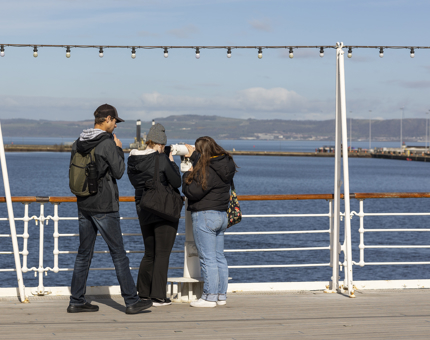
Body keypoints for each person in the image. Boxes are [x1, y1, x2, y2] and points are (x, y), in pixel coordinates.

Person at [67, 104, 152, 314]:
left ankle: (77, 300)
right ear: (106, 119)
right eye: (115, 121)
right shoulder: (106, 143)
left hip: (84, 203)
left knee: (83, 253)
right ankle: (132, 301)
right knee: (118, 254)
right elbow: (119, 171)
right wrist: (118, 148)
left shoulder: (79, 141)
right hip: (104, 205)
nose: (115, 125)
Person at [127, 123, 181, 306]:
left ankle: (143, 293)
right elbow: (176, 182)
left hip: (143, 207)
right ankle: (158, 296)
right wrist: (172, 162)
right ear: (160, 143)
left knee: (149, 253)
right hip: (163, 209)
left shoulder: (133, 160)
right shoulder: (162, 159)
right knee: (163, 253)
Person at [181, 136, 237, 307]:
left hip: (205, 215)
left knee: (208, 258)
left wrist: (187, 174)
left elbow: (193, 192)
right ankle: (221, 295)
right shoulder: (224, 164)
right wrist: (196, 158)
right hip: (221, 215)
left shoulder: (207, 170)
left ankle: (209, 297)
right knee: (219, 256)